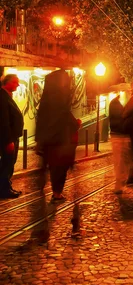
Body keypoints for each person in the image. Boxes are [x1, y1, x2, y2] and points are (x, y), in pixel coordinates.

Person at [35, 69, 80, 201]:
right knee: (60, 167)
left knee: (51, 165)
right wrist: (76, 124)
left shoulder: (47, 98)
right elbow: (64, 116)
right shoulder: (61, 98)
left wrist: (40, 139)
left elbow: (41, 119)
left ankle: (46, 187)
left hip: (47, 139)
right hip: (59, 139)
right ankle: (57, 192)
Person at [0, 73, 23, 199]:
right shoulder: (2, 97)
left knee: (10, 162)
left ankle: (7, 186)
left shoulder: (7, 96)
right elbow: (4, 120)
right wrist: (8, 140)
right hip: (8, 138)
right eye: (15, 82)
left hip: (12, 137)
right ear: (7, 82)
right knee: (7, 162)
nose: (18, 85)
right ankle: (4, 189)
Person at [109, 93, 133, 194]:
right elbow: (121, 118)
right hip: (119, 135)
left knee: (124, 160)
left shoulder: (119, 103)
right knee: (120, 161)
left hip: (123, 135)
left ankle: (123, 181)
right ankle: (119, 183)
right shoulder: (115, 104)